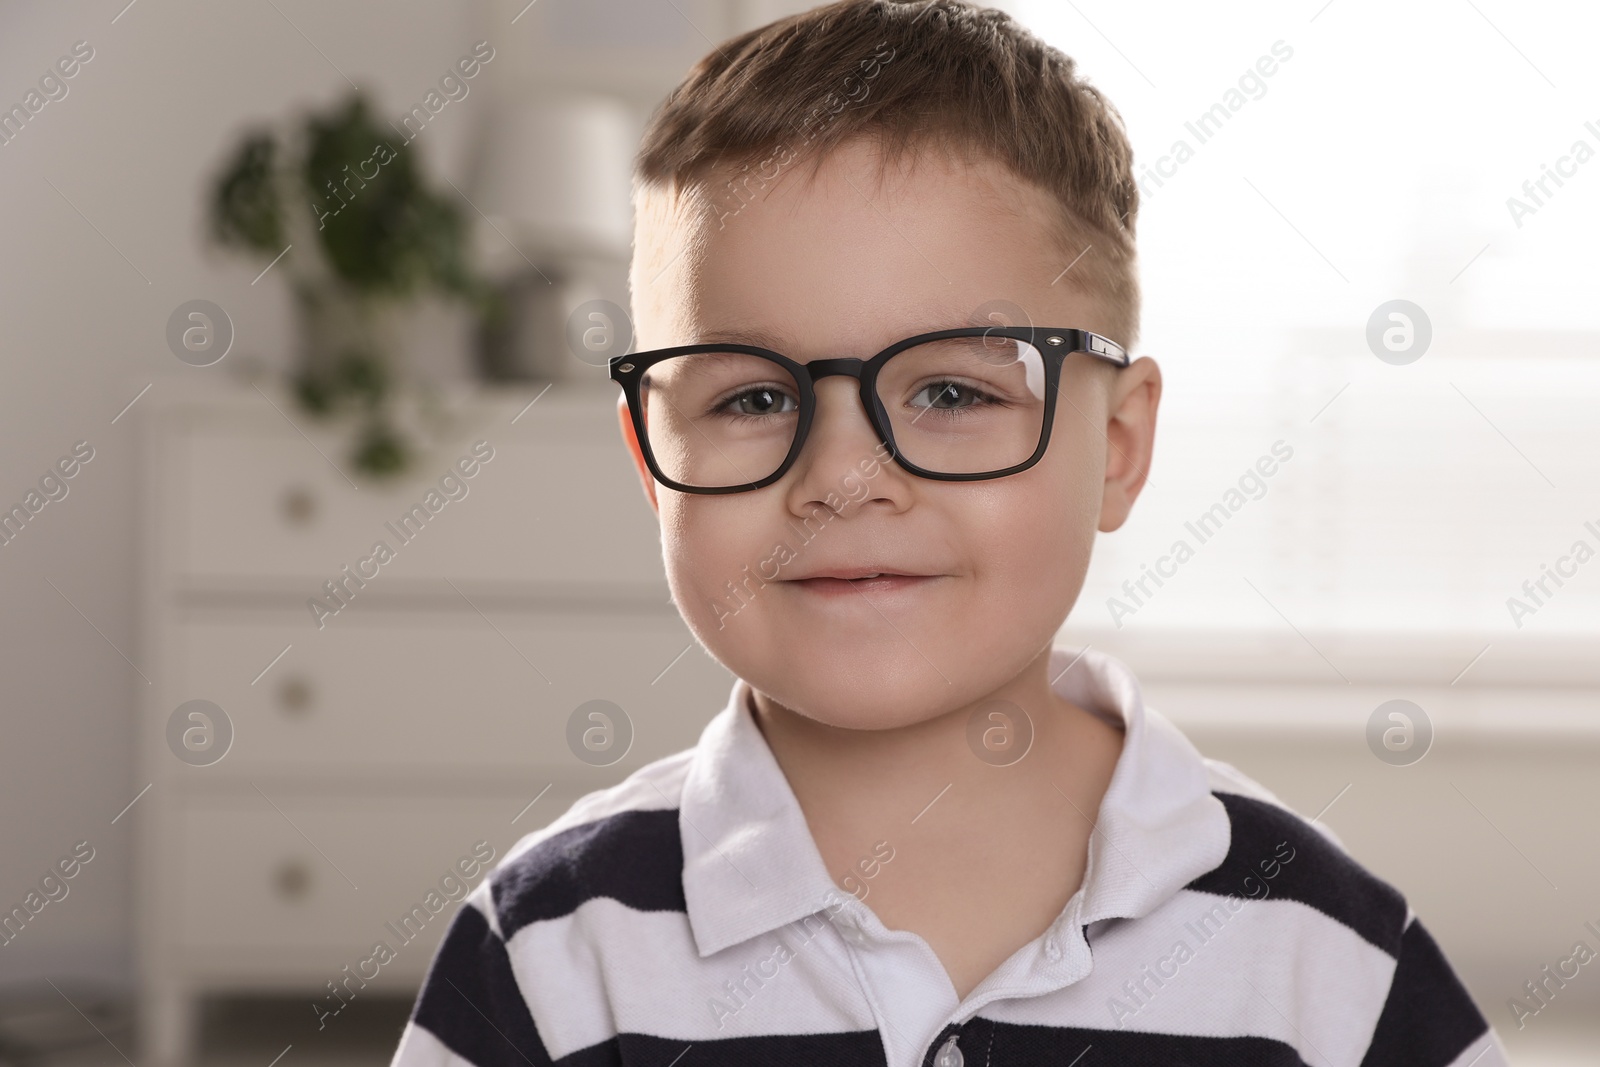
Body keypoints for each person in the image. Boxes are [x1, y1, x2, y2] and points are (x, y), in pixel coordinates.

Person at [391, 2, 1507, 1063]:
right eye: (752, 399)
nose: (841, 478)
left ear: (1115, 446)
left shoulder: (1330, 957)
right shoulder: (543, 955)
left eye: (953, 393)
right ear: (651, 464)